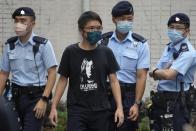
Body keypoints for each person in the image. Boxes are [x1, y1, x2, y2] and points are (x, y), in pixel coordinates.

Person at [49, 11, 124, 131]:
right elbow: (63, 80)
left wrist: (119, 107)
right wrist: (53, 107)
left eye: (99, 28)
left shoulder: (106, 52)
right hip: (77, 110)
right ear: (81, 30)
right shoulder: (70, 52)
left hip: (101, 110)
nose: (96, 31)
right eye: (91, 28)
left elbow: (114, 80)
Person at [0, 7, 57, 131]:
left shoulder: (43, 45)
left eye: (23, 20)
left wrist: (44, 99)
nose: (18, 24)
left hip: (35, 99)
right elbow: (4, 73)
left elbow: (52, 73)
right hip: (13, 98)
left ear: (33, 23)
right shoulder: (10, 45)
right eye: (16, 21)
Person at [101, 1, 150, 131]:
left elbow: (141, 76)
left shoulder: (140, 44)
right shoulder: (103, 42)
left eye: (129, 19)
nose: (126, 22)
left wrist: (137, 104)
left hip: (128, 96)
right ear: (114, 19)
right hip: (104, 95)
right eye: (122, 19)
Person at [149, 13, 196, 131]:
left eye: (179, 28)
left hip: (178, 102)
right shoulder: (169, 47)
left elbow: (168, 75)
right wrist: (158, 73)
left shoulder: (188, 52)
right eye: (171, 27)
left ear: (187, 31)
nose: (174, 30)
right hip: (162, 100)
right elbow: (157, 76)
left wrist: (155, 71)